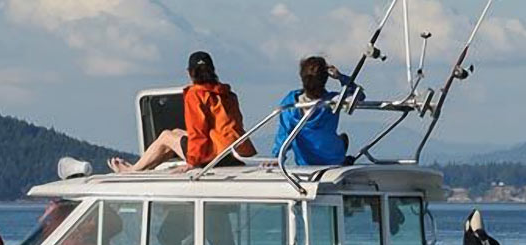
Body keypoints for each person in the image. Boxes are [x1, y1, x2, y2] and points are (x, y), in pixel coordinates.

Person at [110, 51, 256, 173]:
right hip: (234, 153)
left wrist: (192, 163)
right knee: (176, 132)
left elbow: (198, 131)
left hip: (214, 158)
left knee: (166, 136)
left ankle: (133, 170)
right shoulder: (227, 94)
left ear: (190, 72)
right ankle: (146, 167)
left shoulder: (196, 94)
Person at [272, 56, 360, 166]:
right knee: (342, 138)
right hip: (334, 159)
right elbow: (359, 96)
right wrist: (340, 77)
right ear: (325, 78)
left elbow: (284, 134)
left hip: (305, 163)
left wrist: (276, 157)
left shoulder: (290, 103)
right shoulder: (333, 101)